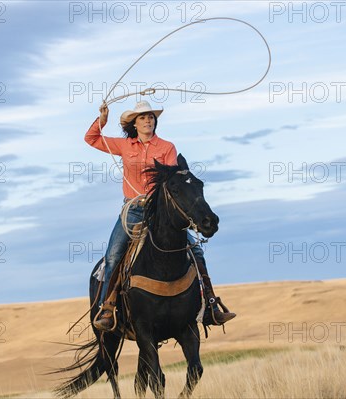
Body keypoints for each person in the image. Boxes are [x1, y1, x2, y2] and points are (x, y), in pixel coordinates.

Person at [84, 100, 236, 331]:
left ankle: (212, 305)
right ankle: (108, 307)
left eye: (151, 117)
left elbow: (172, 181)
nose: (148, 120)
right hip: (133, 210)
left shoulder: (166, 147)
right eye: (143, 117)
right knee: (113, 255)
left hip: (161, 211)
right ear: (134, 123)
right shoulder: (124, 145)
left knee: (196, 252)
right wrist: (102, 121)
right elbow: (92, 139)